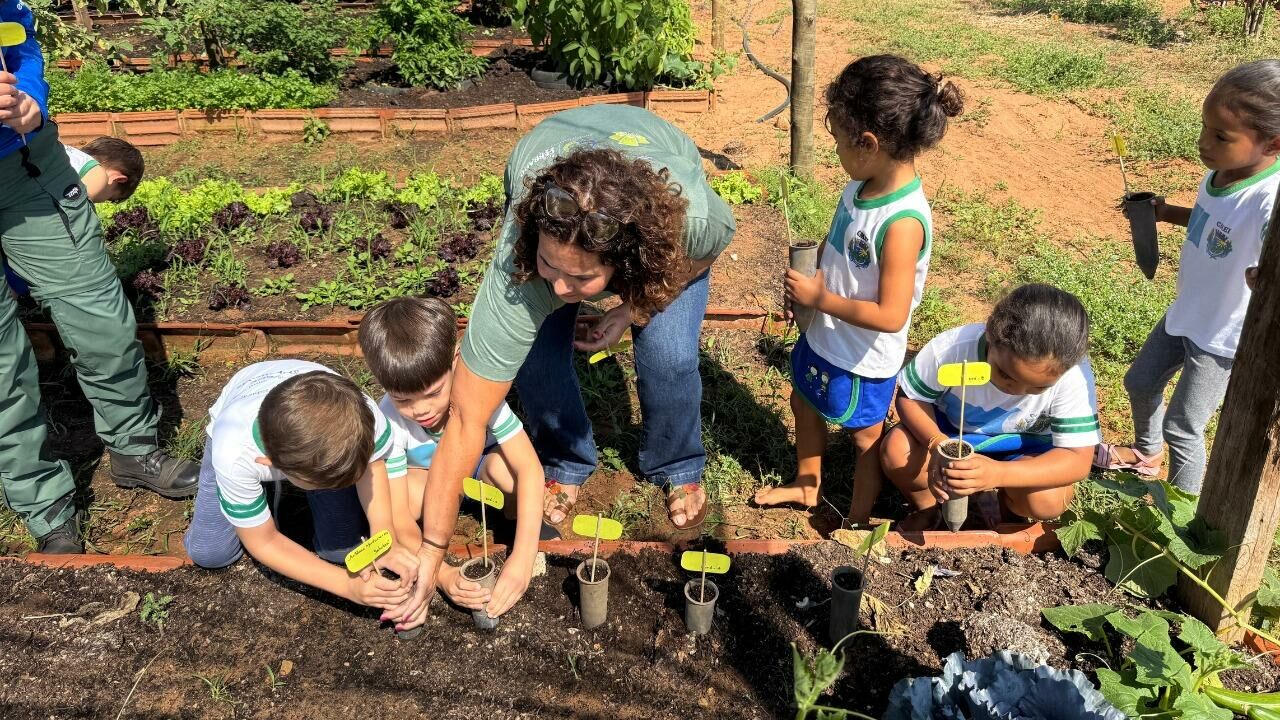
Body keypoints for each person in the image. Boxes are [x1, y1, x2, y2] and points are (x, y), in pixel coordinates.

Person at [401, 104, 735, 628]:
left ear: (626, 263)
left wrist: (633, 309)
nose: (559, 289)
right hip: (548, 150)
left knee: (668, 356)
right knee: (534, 358)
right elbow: (466, 420)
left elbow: (706, 252)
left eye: (579, 280)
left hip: (662, 172)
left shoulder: (690, 224)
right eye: (549, 265)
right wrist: (431, 550)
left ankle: (677, 465)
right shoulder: (525, 240)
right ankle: (565, 460)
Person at [0, 0, 196, 555]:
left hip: (24, 166)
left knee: (103, 321)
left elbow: (23, 45)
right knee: (1, 363)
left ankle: (134, 449)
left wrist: (31, 102)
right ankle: (43, 503)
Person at [752, 55, 964, 525]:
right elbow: (837, 243)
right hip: (826, 334)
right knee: (803, 400)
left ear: (868, 143)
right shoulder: (861, 184)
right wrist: (814, 287)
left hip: (864, 357)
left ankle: (857, 516)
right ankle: (808, 486)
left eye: (838, 143)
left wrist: (821, 300)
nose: (836, 153)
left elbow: (892, 315)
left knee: (865, 437)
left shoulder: (903, 222)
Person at [1094, 60, 1280, 494]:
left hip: (1222, 336)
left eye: (1220, 136)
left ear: (1273, 143)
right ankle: (1145, 454)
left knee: (1183, 427)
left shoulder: (1269, 200)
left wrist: (1266, 279)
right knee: (1139, 382)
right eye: (1204, 128)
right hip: (1188, 311)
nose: (1203, 143)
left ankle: (1180, 517)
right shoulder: (1220, 175)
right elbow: (1213, 222)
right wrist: (1165, 213)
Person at [182, 360, 426, 619]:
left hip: (312, 427)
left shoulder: (360, 413)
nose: (339, 487)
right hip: (240, 424)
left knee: (340, 551)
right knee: (211, 553)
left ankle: (286, 495)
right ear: (272, 465)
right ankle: (254, 496)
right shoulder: (233, 453)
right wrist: (346, 586)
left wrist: (382, 538)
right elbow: (264, 541)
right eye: (327, 484)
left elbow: (372, 465)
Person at [357, 297, 548, 625]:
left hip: (480, 469)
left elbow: (530, 469)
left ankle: (515, 522)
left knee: (510, 477)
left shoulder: (476, 391)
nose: (420, 411)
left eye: (433, 393)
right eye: (404, 400)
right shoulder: (388, 420)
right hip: (429, 479)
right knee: (398, 500)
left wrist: (522, 557)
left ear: (455, 362)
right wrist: (443, 576)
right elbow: (400, 520)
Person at [882, 284, 1101, 529]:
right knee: (897, 452)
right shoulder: (952, 350)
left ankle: (1009, 509)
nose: (1015, 391)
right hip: (952, 436)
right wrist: (938, 444)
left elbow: (1077, 460)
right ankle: (929, 508)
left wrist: (998, 474)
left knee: (1048, 501)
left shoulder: (1073, 376)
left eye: (1038, 388)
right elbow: (911, 398)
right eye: (1006, 374)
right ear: (990, 333)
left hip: (1025, 450)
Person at [6, 137, 146, 296]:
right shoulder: (93, 179)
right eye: (111, 198)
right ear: (116, 179)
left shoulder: (63, 152)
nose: (102, 202)